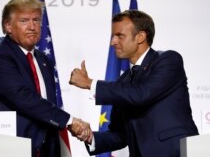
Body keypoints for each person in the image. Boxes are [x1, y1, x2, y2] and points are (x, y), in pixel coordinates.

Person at [0, 0, 92, 157]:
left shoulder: (43, 60)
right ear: (8, 26)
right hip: (5, 147)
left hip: (43, 148)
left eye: (36, 20)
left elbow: (47, 104)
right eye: (24, 20)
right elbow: (21, 96)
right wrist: (69, 121)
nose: (32, 26)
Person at [69, 10, 199, 157]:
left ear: (140, 37)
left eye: (120, 35)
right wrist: (89, 136)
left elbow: (141, 94)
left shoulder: (168, 60)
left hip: (175, 153)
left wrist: (90, 84)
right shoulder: (122, 81)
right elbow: (120, 135)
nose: (113, 42)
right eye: (113, 36)